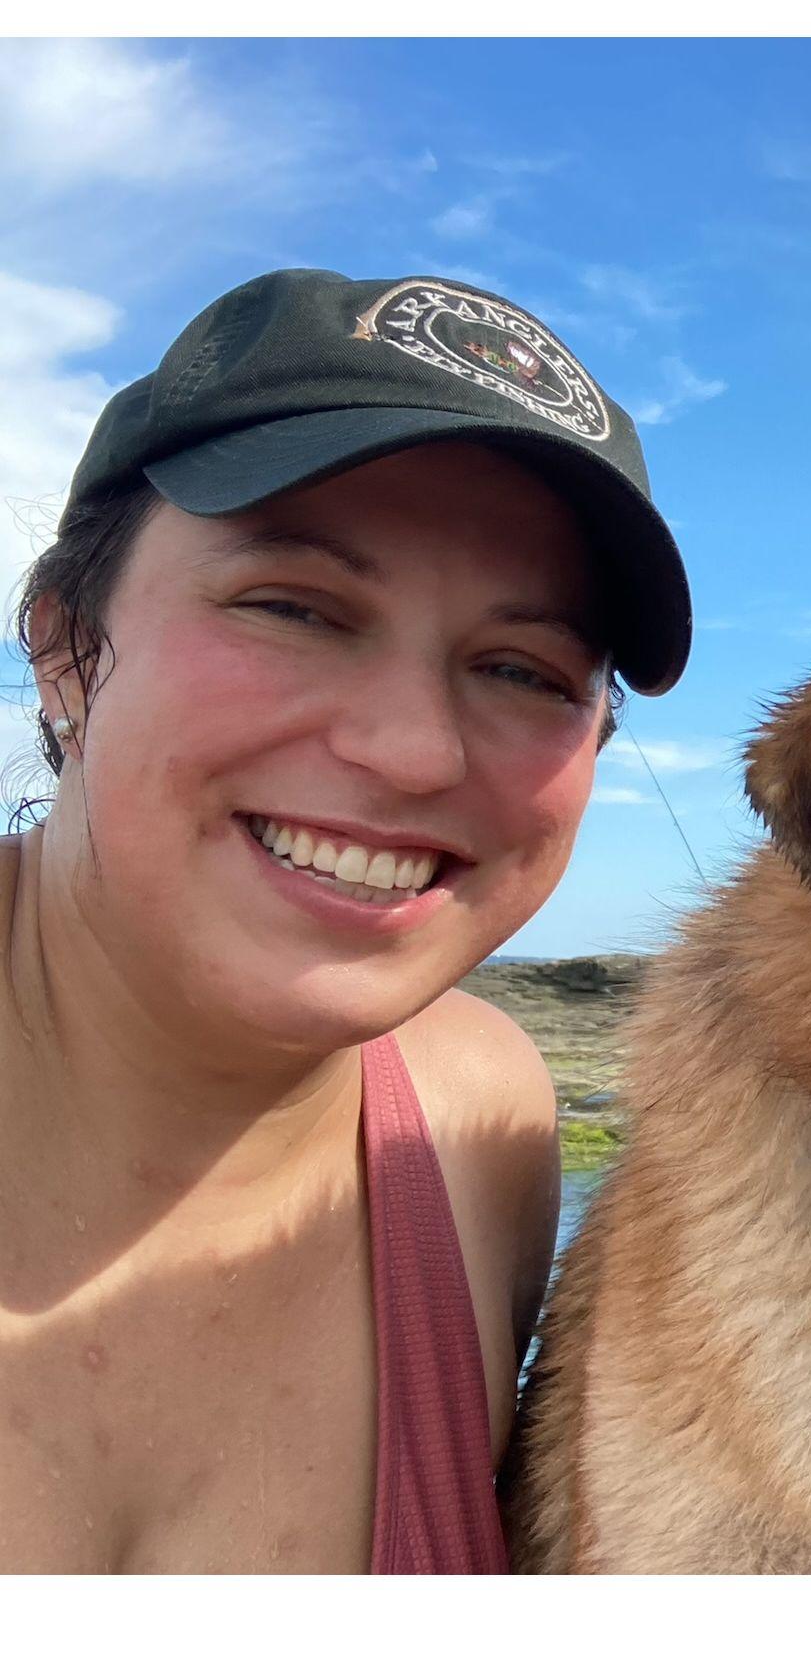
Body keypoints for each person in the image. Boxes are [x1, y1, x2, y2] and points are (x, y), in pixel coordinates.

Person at [0, 270, 691, 1572]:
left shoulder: (480, 1127)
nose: (414, 749)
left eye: (522, 670)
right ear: (61, 646)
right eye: (294, 607)